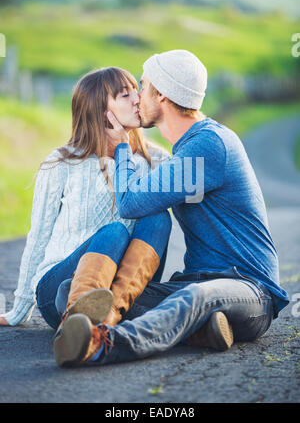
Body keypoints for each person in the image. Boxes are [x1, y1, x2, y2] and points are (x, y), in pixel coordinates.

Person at [52, 49, 289, 368]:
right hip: (192, 280)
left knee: (196, 298)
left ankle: (102, 344)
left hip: (249, 289)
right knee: (75, 292)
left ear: (160, 94)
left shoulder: (209, 145)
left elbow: (131, 202)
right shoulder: (186, 150)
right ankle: (200, 331)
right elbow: (144, 193)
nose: (136, 94)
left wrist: (122, 146)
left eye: (142, 84)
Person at [0, 67, 172, 332]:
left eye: (135, 91)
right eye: (125, 95)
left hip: (121, 289)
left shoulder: (156, 161)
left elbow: (196, 203)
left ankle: (106, 317)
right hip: (57, 284)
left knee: (158, 219)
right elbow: (39, 236)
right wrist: (19, 310)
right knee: (113, 232)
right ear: (101, 111)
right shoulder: (62, 162)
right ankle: (79, 315)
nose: (138, 99)